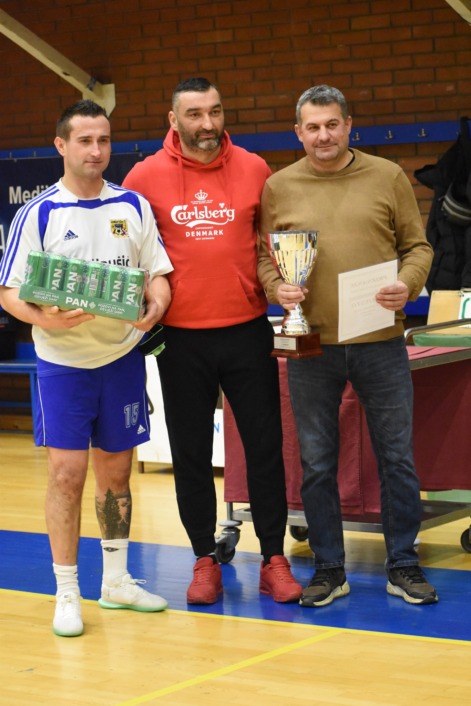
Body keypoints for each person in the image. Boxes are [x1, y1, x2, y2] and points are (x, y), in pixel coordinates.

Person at [257, 85, 438, 607]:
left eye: (332, 124)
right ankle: (329, 568)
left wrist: (408, 283)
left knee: (397, 457)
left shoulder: (387, 176)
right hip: (310, 344)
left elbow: (418, 247)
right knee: (317, 462)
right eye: (313, 127)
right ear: (298, 132)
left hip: (380, 341)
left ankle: (403, 563)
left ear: (349, 125)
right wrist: (277, 287)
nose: (324, 136)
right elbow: (265, 257)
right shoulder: (279, 187)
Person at [123, 77, 302, 605]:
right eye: (195, 114)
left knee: (265, 449)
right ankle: (204, 558)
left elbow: (271, 248)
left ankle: (273, 559)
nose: (208, 124)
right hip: (180, 339)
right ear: (173, 119)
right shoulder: (143, 177)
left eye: (216, 112)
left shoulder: (254, 168)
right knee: (191, 453)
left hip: (247, 330)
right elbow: (132, 255)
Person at [0, 100, 173, 636]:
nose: (96, 151)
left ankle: (116, 581)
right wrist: (43, 319)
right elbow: (9, 293)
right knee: (66, 475)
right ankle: (67, 590)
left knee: (116, 475)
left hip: (121, 358)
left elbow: (157, 274)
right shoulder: (39, 213)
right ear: (61, 145)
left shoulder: (133, 206)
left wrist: (157, 305)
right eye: (84, 141)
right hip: (64, 366)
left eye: (103, 140)